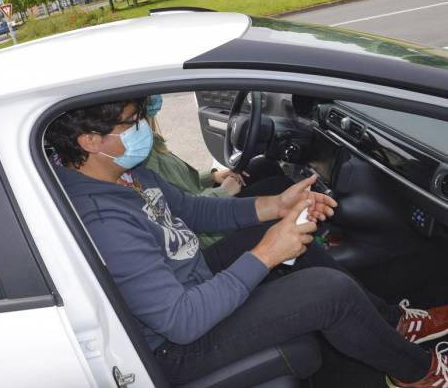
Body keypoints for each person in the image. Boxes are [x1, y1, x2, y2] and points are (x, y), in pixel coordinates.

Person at [46, 97, 448, 387]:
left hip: (193, 281)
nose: (142, 129)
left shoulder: (124, 176)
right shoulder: (101, 218)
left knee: (276, 235)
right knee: (329, 291)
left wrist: (277, 205)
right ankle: (418, 374)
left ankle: (394, 324)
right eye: (131, 122)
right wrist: (268, 253)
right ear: (90, 141)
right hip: (179, 345)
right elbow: (181, 322)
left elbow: (195, 210)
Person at [142, 94, 293, 248]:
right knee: (280, 186)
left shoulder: (149, 141)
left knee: (263, 166)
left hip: (202, 198)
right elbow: (178, 213)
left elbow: (175, 178)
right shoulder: (141, 157)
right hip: (204, 231)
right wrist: (224, 192)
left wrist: (212, 176)